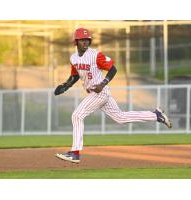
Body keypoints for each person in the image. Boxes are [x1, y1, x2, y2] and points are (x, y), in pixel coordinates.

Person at [54, 27, 172, 163]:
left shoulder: (95, 55)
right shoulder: (73, 58)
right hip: (95, 93)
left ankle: (75, 152)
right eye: (82, 40)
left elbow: (113, 68)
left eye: (87, 40)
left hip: (101, 92)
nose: (85, 42)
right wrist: (66, 85)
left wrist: (103, 83)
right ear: (76, 42)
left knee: (77, 115)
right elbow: (75, 76)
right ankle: (156, 115)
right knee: (120, 118)